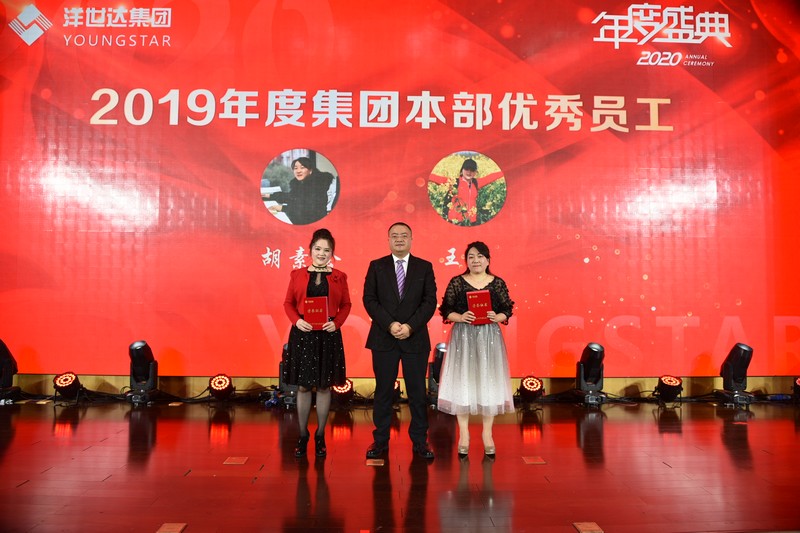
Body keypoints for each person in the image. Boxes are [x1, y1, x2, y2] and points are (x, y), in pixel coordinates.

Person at [363, 222, 438, 460]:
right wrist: (390, 324)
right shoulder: (377, 266)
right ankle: (380, 440)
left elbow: (429, 301)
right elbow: (369, 299)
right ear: (388, 239)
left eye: (404, 235)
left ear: (411, 239)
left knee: (417, 393)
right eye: (394, 235)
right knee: (383, 392)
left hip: (415, 339)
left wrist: (409, 326)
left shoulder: (424, 267)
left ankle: (420, 442)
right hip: (383, 337)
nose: (399, 239)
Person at [436, 241, 515, 459]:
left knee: (489, 382)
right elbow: (446, 310)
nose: (475, 260)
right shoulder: (457, 282)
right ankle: (464, 435)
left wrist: (497, 317)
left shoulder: (497, 283)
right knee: (464, 381)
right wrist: (460, 317)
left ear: (488, 260)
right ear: (466, 261)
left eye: (480, 256)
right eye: (471, 257)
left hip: (489, 338)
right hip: (463, 336)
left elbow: (507, 309)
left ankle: (487, 434)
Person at [282, 228, 351, 458]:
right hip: (304, 333)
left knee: (323, 386)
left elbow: (347, 305)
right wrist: (296, 321)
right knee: (303, 386)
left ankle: (320, 435)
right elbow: (288, 303)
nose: (322, 253)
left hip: (328, 334)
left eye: (326, 250)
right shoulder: (297, 275)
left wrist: (337, 323)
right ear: (310, 250)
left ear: (332, 253)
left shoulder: (339, 276)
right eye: (318, 249)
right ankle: (303, 435)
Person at [429, 158, 504, 226]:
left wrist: (505, 171)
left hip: (472, 221)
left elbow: (491, 177)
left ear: (475, 172)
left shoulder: (476, 183)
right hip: (455, 221)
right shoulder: (454, 182)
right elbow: (434, 177)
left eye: (472, 170)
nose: (469, 172)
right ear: (462, 170)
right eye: (467, 169)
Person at [266, 157, 334, 225]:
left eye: (302, 167)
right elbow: (291, 197)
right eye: (295, 168)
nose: (298, 171)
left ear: (310, 170)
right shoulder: (301, 183)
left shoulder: (318, 185)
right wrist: (270, 196)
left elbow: (308, 209)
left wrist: (282, 208)